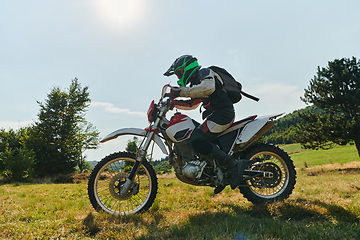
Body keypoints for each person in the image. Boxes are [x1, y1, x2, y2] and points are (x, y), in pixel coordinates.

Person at [163, 55, 247, 194]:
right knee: (195, 137)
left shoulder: (205, 73)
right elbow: (192, 103)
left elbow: (208, 88)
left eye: (179, 73)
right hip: (215, 116)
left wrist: (179, 91)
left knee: (197, 138)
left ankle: (233, 166)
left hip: (223, 114)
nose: (178, 78)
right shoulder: (196, 83)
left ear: (186, 68)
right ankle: (218, 175)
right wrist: (173, 103)